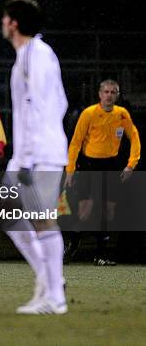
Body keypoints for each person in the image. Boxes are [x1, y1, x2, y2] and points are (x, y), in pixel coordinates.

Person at [0, 0, 68, 314]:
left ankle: (55, 296)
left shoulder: (33, 55)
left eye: (5, 17)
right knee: (7, 211)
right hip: (33, 150)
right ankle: (48, 278)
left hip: (39, 152)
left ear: (13, 23)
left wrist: (28, 156)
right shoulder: (34, 54)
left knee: (42, 219)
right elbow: (61, 102)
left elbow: (38, 106)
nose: (2, 22)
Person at [63, 80, 141, 265]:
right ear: (100, 94)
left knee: (108, 211)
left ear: (117, 95)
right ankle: (72, 246)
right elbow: (76, 142)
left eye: (113, 92)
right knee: (86, 210)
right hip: (90, 165)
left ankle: (101, 255)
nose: (109, 95)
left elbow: (135, 138)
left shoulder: (121, 115)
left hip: (111, 166)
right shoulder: (89, 114)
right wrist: (70, 170)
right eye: (106, 92)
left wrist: (131, 165)